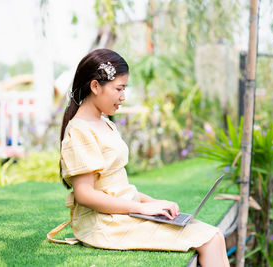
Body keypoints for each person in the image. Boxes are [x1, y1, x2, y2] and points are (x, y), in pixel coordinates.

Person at [47, 49, 230, 267]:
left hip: (121, 214)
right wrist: (142, 209)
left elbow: (117, 186)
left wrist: (153, 203)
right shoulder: (79, 130)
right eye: (119, 89)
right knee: (208, 240)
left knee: (215, 235)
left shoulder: (105, 123)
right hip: (104, 224)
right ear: (95, 86)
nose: (123, 97)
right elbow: (85, 194)